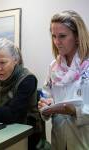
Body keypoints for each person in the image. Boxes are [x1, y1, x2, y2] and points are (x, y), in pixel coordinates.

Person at [38, 10, 89, 150]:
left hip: (83, 140)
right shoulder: (53, 66)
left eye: (62, 36)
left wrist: (75, 111)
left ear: (78, 37)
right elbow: (46, 95)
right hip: (59, 139)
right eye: (54, 36)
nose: (56, 42)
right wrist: (46, 105)